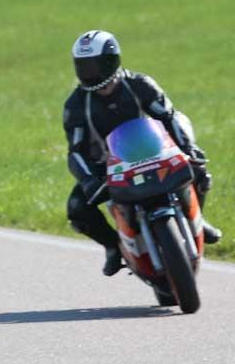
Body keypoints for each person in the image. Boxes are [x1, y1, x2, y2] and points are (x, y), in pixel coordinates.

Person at [63, 30, 222, 276]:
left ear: (111, 61)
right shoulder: (75, 105)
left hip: (153, 151)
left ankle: (198, 220)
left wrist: (188, 149)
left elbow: (169, 117)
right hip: (108, 165)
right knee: (77, 208)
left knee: (198, 170)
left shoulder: (140, 85)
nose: (87, 73)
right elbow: (75, 151)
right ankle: (114, 246)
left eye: (93, 65)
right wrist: (88, 181)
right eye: (82, 66)